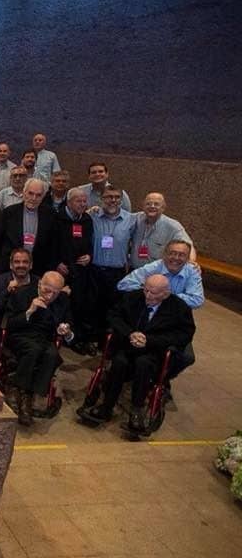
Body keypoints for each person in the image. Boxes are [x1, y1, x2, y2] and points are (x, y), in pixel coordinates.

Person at [78, 275, 195, 435]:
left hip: (154, 351)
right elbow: (113, 316)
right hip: (128, 345)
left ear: (165, 294)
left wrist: (150, 340)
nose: (147, 296)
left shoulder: (179, 308)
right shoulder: (132, 298)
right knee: (119, 362)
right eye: (145, 290)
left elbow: (184, 334)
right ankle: (106, 406)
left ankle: (136, 410)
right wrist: (130, 334)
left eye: (153, 293)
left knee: (143, 364)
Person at [118, 239, 203, 383]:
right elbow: (123, 284)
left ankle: (160, 379)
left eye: (181, 255)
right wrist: (149, 289)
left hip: (174, 324)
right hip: (149, 321)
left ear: (188, 258)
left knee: (187, 357)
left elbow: (197, 300)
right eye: (172, 253)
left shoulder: (192, 272)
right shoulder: (153, 267)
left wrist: (164, 295)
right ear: (164, 254)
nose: (176, 258)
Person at [3, 271, 74, 426]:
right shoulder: (22, 293)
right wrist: (29, 311)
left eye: (55, 293)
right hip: (20, 335)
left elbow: (69, 324)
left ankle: (31, 394)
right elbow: (8, 325)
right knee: (33, 350)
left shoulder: (62, 300)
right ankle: (25, 396)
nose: (50, 296)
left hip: (44, 338)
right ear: (40, 283)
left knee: (52, 354)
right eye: (47, 291)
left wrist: (67, 331)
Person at [89, 184, 138, 338]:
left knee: (115, 308)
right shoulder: (92, 216)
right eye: (109, 197)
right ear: (102, 199)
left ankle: (109, 341)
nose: (113, 200)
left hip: (117, 272)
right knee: (94, 306)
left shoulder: (131, 220)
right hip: (95, 271)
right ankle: (93, 337)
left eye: (117, 197)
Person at [54, 187, 97, 352]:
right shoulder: (57, 218)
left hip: (80, 270)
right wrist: (56, 262)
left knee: (79, 303)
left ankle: (76, 337)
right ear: (69, 202)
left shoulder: (86, 220)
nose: (82, 204)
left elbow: (92, 243)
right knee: (62, 303)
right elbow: (49, 244)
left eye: (84, 201)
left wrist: (89, 256)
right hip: (61, 270)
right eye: (78, 201)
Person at [0, 248, 38, 362]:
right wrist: (6, 292)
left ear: (31, 265)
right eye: (17, 262)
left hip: (26, 329)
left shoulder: (38, 283)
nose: (21, 265)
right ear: (11, 265)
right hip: (0, 326)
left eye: (25, 262)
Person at [0, 179, 56, 275]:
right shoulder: (9, 213)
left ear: (43, 197)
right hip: (9, 268)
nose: (33, 198)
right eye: (30, 193)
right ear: (24, 193)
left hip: (38, 269)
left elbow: (53, 246)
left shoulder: (50, 215)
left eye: (38, 195)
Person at [130, 193, 195, 268]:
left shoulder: (173, 226)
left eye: (156, 204)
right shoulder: (136, 219)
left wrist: (191, 264)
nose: (152, 206)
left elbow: (188, 246)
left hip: (156, 274)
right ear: (143, 206)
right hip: (134, 271)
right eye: (148, 204)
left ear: (163, 208)